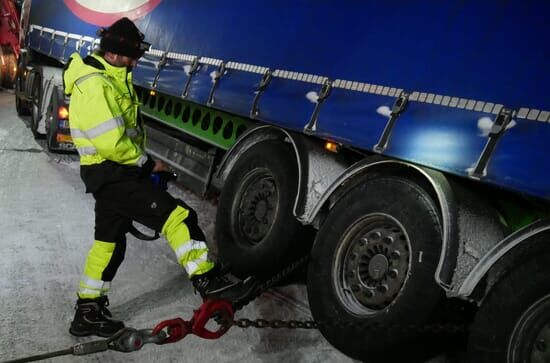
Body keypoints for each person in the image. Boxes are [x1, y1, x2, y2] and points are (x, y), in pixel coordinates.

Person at [63, 17, 257, 338]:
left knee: (108, 244)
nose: (136, 61)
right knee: (178, 217)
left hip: (108, 174)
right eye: (131, 55)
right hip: (114, 173)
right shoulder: (95, 85)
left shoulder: (109, 77)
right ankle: (210, 283)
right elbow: (111, 143)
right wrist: (147, 165)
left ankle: (88, 311)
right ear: (113, 53)